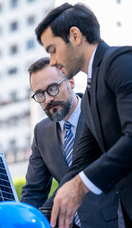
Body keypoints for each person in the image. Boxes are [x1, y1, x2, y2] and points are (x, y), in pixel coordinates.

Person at [35, 2, 132, 228]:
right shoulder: (90, 96)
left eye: (52, 49)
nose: (52, 61)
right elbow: (81, 162)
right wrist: (31, 216)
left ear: (75, 35)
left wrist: (80, 186)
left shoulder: (125, 60)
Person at [21, 57, 118, 227]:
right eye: (40, 94)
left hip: (113, 221)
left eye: (52, 88)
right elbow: (33, 192)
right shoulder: (40, 132)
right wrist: (22, 220)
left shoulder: (99, 114)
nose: (48, 99)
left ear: (71, 82)